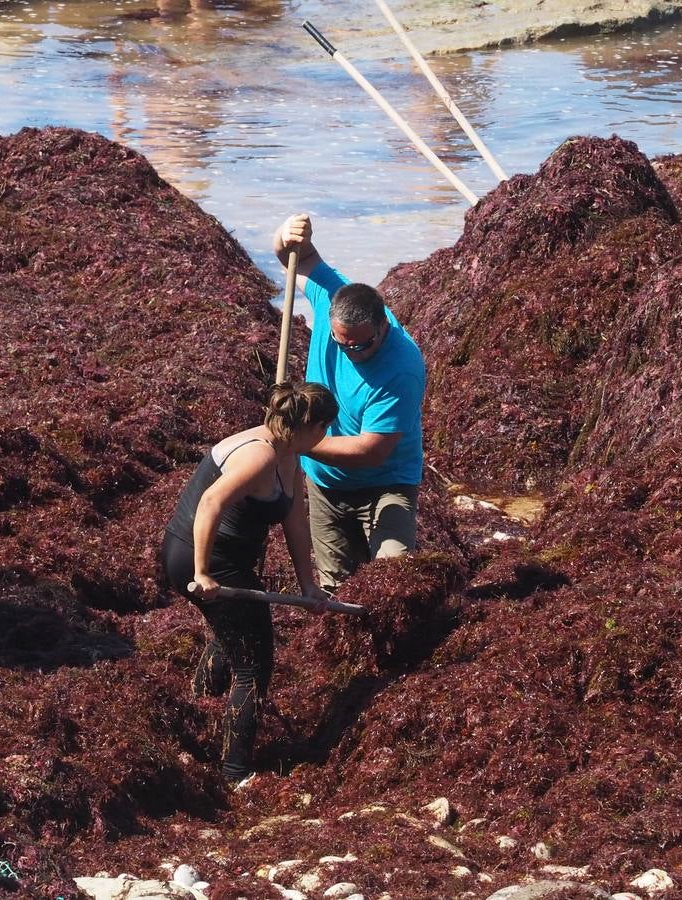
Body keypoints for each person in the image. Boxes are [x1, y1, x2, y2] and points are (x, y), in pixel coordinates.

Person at [160, 381, 338, 783]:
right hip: (201, 556)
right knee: (253, 665)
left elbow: (293, 518)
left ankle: (199, 714)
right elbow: (210, 502)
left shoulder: (289, 454)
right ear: (311, 426)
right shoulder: (258, 456)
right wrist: (203, 573)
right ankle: (234, 770)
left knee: (232, 633)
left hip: (224, 560)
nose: (327, 437)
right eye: (326, 427)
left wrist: (307, 585)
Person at [272, 213, 425, 592]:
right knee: (335, 589)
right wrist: (284, 234)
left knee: (392, 579)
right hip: (326, 484)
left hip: (386, 484)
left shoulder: (402, 367)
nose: (352, 351)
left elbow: (371, 451)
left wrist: (297, 443)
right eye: (342, 343)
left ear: (383, 326)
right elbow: (299, 258)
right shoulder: (332, 297)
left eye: (362, 344)